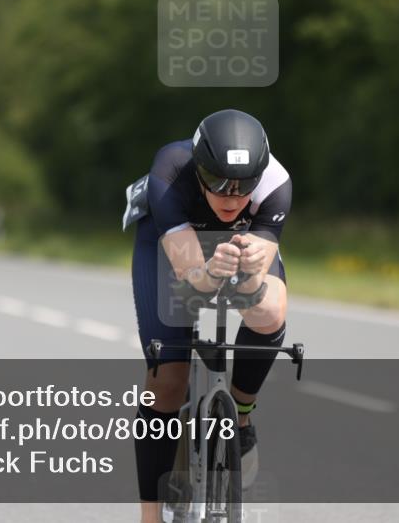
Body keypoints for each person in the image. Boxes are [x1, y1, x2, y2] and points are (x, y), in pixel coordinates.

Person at [124, 109, 291, 523]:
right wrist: (209, 272)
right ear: (200, 171)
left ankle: (242, 411)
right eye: (218, 186)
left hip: (234, 248)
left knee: (270, 310)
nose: (232, 199)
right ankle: (149, 515)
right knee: (168, 383)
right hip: (170, 246)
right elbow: (190, 279)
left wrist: (249, 275)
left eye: (243, 189)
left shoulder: (277, 183)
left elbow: (255, 294)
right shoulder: (171, 169)